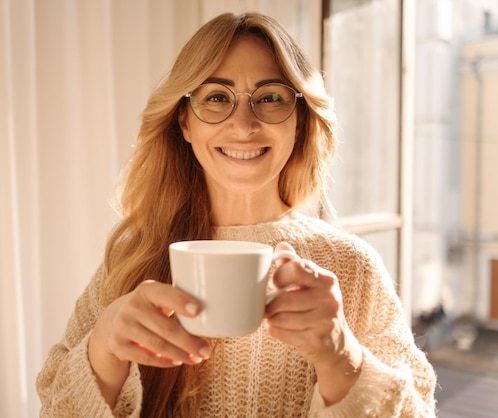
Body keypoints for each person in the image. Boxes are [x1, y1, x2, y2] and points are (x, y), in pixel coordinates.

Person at [36, 11, 437, 417]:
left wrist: (341, 355)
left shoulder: (351, 269)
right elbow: (52, 409)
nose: (243, 125)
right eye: (215, 97)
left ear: (299, 121)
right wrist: (103, 349)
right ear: (185, 121)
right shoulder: (131, 258)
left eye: (269, 98)